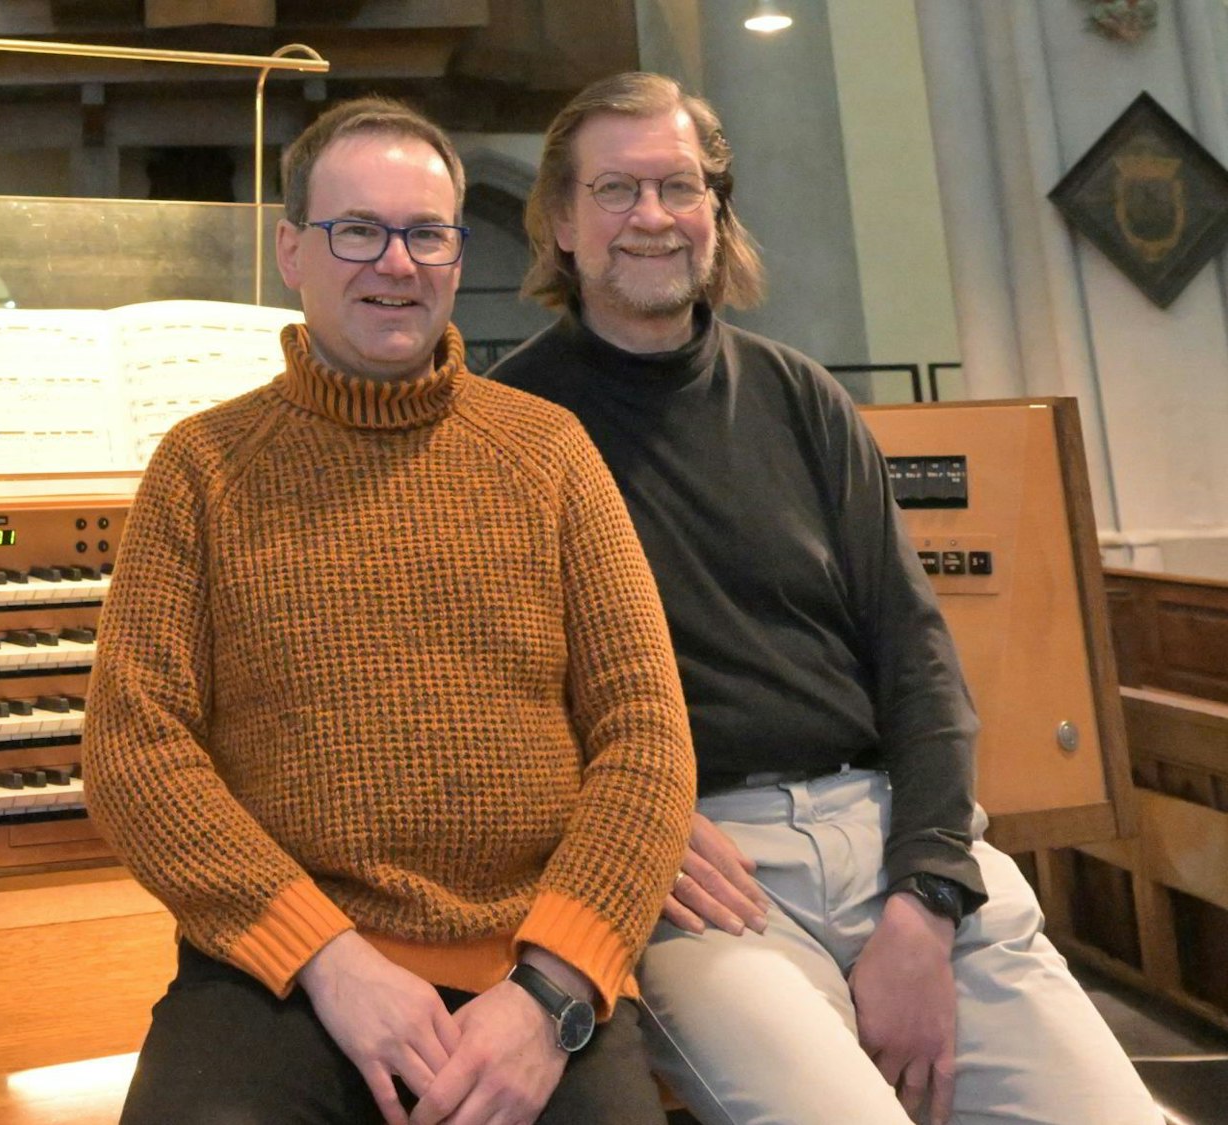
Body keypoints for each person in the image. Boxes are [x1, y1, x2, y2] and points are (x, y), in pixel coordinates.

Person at [490, 71, 1162, 1125]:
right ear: (561, 222)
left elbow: (916, 660)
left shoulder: (800, 396)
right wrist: (622, 823)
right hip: (696, 870)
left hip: (886, 830)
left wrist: (925, 897)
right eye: (615, 190)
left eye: (677, 187)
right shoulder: (504, 427)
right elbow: (486, 694)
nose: (652, 218)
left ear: (716, 209)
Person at [83, 96, 695, 1125]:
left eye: (425, 234)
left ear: (457, 254)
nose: (395, 264)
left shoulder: (547, 454)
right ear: (291, 251)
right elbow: (131, 749)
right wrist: (321, 957)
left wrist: (551, 993)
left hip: (529, 969)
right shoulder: (201, 466)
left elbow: (645, 739)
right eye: (356, 231)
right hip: (280, 979)